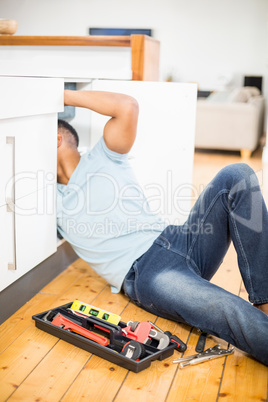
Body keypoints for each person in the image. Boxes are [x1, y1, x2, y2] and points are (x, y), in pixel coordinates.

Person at [57, 89, 268, 366]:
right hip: (148, 272)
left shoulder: (104, 156)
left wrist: (59, 95)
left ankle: (264, 301)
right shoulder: (52, 200)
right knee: (229, 309)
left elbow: (127, 106)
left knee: (237, 174)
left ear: (57, 138)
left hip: (179, 238)